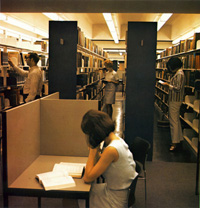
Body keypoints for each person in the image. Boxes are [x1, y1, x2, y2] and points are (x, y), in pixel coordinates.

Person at [81, 109, 138, 208]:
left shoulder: (111, 150)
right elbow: (102, 161)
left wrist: (92, 150)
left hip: (114, 200)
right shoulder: (117, 140)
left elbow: (87, 178)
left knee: (70, 199)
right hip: (118, 191)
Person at [162, 57, 185, 152]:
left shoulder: (179, 74)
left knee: (173, 122)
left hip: (175, 100)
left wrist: (168, 85)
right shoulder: (179, 73)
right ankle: (178, 139)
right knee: (176, 121)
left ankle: (174, 143)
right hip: (175, 99)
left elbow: (178, 88)